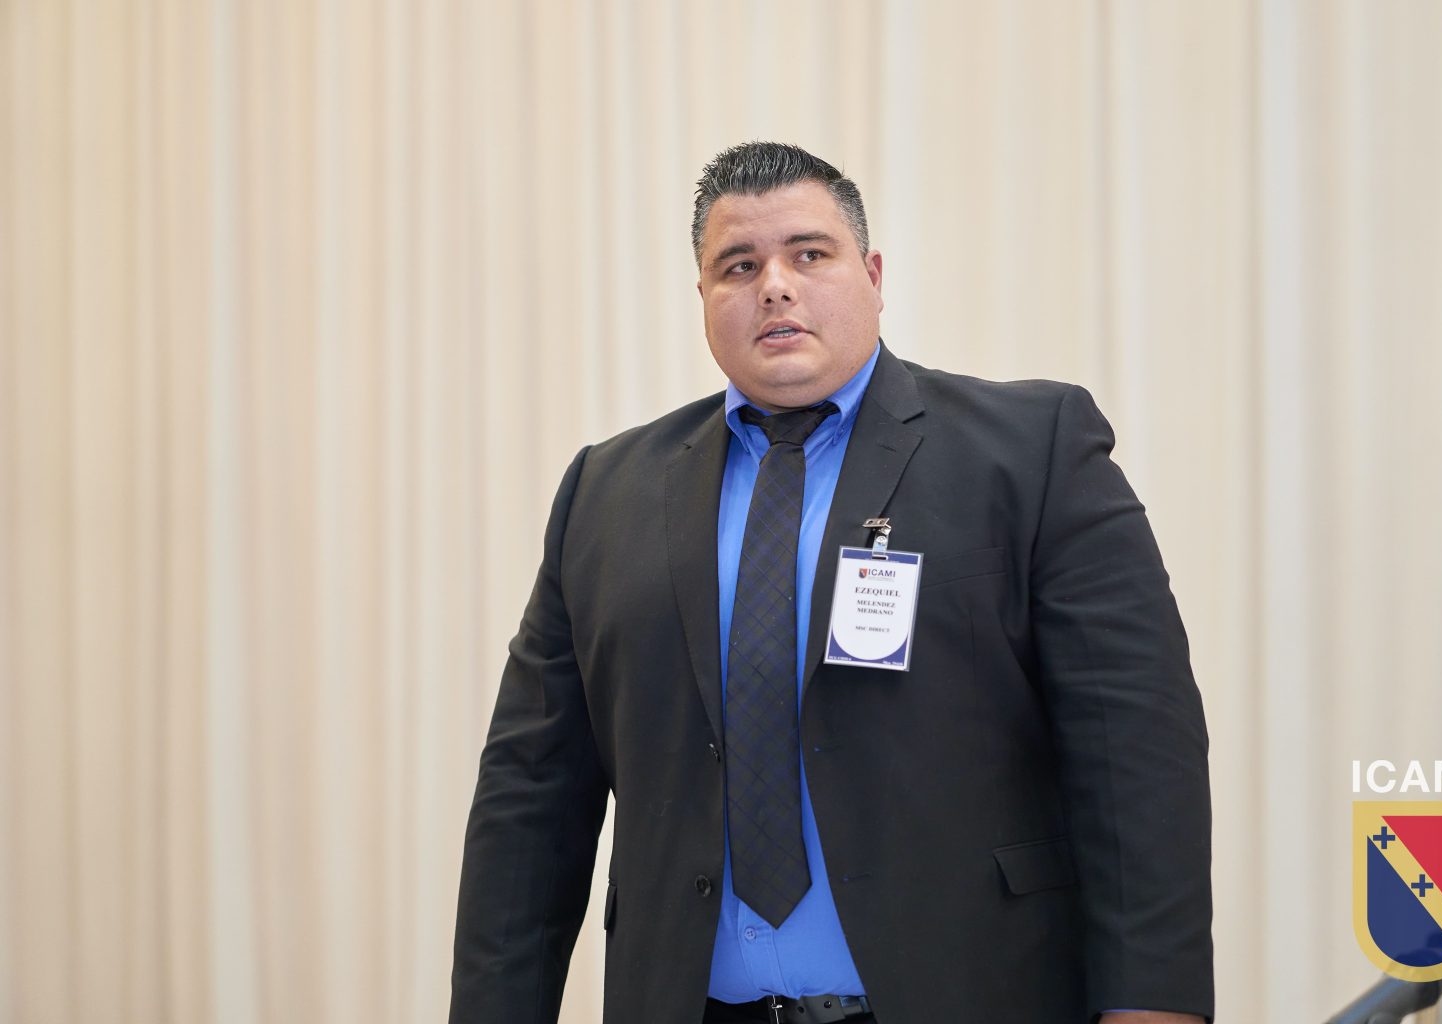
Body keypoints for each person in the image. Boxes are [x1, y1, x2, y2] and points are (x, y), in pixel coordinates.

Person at [450, 142, 1213, 1024]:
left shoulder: (1029, 451)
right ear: (703, 298)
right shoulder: (605, 494)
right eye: (739, 266)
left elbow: (1134, 749)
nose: (775, 286)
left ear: (873, 276)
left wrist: (1152, 1005)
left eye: (809, 254)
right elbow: (529, 794)